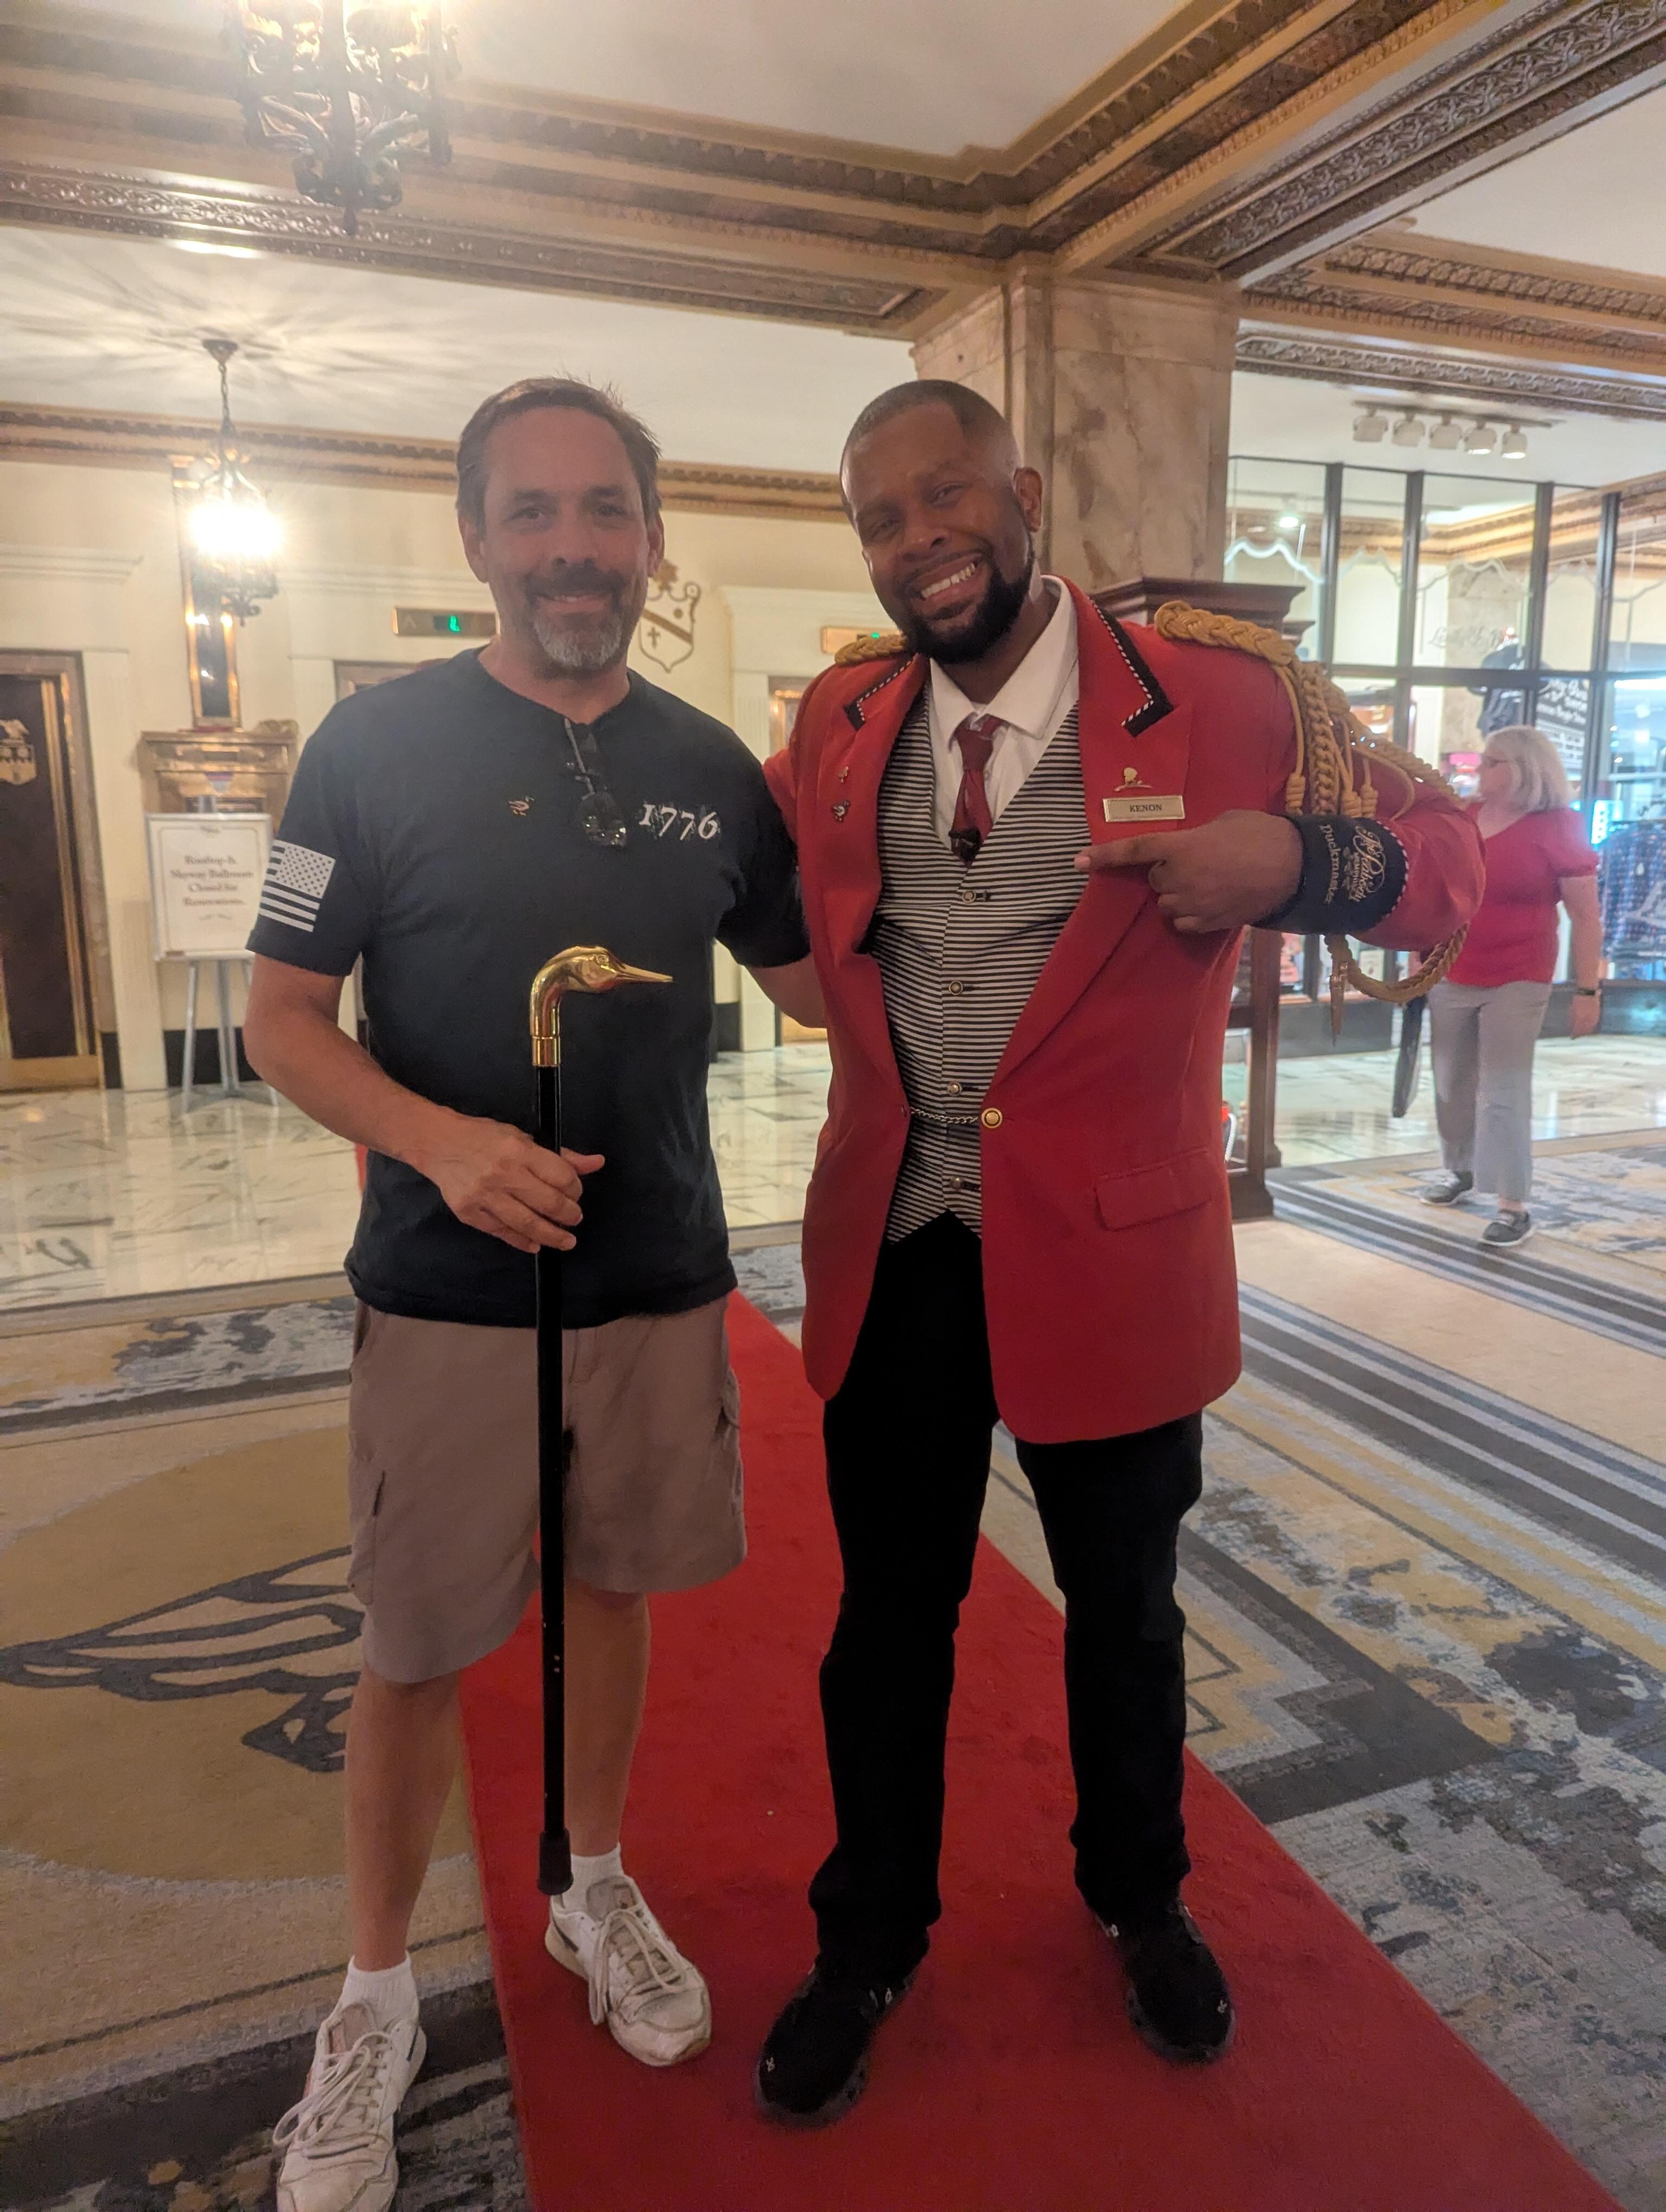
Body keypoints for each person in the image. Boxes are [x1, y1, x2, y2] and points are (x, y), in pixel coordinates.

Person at [753, 379, 1483, 2126]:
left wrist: (1288, 857)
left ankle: (1139, 1898)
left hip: (1117, 1247)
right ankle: (867, 1938)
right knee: (887, 1621)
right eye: (881, 519)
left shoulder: (1227, 695)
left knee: (1127, 1615)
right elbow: (754, 888)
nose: (921, 540)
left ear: (1022, 492)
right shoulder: (841, 715)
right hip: (902, 1241)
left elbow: (1445, 866)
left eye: (948, 496)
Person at [243, 377, 821, 2212]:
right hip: (446, 1288)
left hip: (655, 1273)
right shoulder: (368, 749)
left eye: (605, 511)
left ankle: (591, 1885)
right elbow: (279, 1020)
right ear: (477, 539)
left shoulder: (713, 767)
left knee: (612, 1587)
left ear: (654, 538)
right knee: (417, 1644)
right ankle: (371, 1997)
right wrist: (438, 1144)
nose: (574, 547)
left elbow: (820, 984)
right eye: (535, 512)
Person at [1421, 723, 1602, 1246]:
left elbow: (1586, 916)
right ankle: (1460, 1169)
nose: (1479, 767)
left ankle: (1512, 1204)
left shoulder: (1559, 826)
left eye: (1491, 761)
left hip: (1520, 974)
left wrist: (1587, 990)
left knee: (1503, 1087)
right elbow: (1439, 890)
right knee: (1451, 1079)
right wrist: (1420, 954)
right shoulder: (1467, 816)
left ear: (1523, 770)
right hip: (1452, 966)